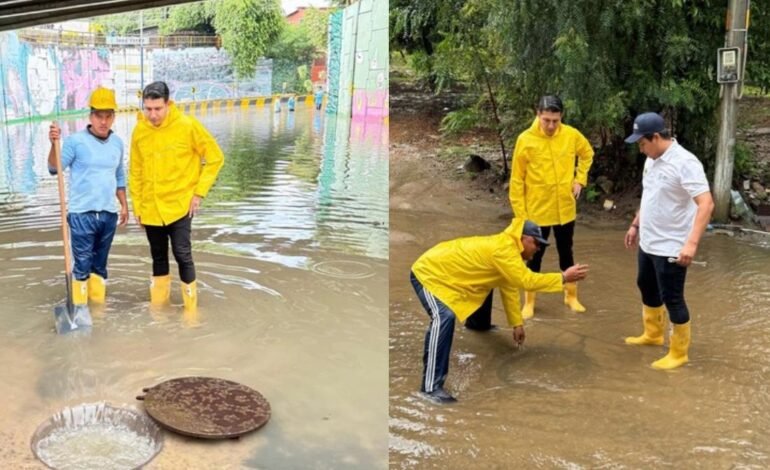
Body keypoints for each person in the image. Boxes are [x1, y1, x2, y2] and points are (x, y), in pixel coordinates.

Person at [410, 218, 589, 403]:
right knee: (444, 317)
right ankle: (430, 388)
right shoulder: (504, 250)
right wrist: (563, 277)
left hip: (454, 276)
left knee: (487, 279)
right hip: (428, 273)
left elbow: (509, 285)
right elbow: (526, 281)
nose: (538, 248)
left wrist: (517, 324)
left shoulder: (509, 251)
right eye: (536, 243)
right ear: (524, 238)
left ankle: (478, 325)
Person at [623, 112, 714, 370]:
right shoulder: (652, 160)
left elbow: (706, 204)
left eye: (642, 143)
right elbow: (649, 195)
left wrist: (691, 245)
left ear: (655, 138)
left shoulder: (685, 162)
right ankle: (652, 335)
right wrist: (635, 224)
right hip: (648, 240)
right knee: (646, 286)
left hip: (672, 245)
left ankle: (678, 352)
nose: (641, 150)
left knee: (673, 298)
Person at [129, 81, 224, 311]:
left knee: (183, 254)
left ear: (168, 104)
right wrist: (137, 206)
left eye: (157, 109)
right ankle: (159, 309)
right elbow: (136, 171)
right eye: (148, 109)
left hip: (181, 204)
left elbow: (215, 158)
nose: (152, 115)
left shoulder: (187, 126)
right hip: (151, 207)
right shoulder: (140, 131)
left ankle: (190, 311)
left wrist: (199, 193)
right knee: (158, 257)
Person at [509, 95, 594, 318]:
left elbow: (587, 153)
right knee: (534, 256)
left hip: (565, 208)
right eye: (546, 119)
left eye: (555, 121)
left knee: (567, 251)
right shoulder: (525, 140)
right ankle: (529, 301)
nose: (550, 125)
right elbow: (517, 180)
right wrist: (521, 218)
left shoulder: (571, 135)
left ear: (561, 117)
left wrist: (579, 179)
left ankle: (571, 296)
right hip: (536, 211)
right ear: (538, 114)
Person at [48, 86, 128, 309]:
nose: (103, 121)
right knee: (82, 265)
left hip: (108, 214)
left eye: (108, 116)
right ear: (90, 116)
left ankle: (99, 312)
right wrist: (52, 144)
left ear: (113, 117)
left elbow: (119, 175)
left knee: (100, 266)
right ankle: (80, 312)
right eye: (98, 116)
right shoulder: (75, 142)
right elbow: (54, 169)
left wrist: (124, 205)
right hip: (81, 214)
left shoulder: (117, 143)